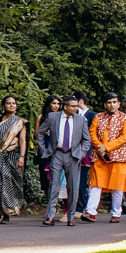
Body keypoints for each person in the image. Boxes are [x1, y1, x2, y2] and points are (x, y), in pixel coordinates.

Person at [82, 94, 126, 221]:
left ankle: (116, 213)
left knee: (116, 186)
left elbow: (125, 136)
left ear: (118, 104)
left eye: (114, 102)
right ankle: (90, 212)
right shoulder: (98, 117)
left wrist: (107, 147)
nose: (112, 105)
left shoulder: (125, 118)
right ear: (105, 105)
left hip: (118, 157)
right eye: (109, 102)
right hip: (99, 156)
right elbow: (92, 133)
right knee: (95, 184)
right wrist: (100, 146)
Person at [0, 95, 33, 223]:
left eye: (14, 103)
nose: (11, 105)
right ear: (3, 106)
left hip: (12, 156)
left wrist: (22, 156)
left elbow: (22, 140)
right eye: (8, 103)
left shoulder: (20, 122)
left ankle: (6, 213)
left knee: (8, 185)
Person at [40, 95, 86, 226]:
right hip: (57, 154)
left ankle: (71, 217)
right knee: (54, 185)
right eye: (73, 106)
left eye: (77, 106)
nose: (76, 108)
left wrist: (81, 153)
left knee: (72, 186)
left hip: (73, 155)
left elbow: (87, 139)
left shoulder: (80, 120)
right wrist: (45, 151)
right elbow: (40, 133)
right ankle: (50, 217)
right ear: (65, 107)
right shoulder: (53, 117)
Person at [34, 95, 62, 201]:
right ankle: (49, 202)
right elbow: (36, 135)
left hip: (58, 150)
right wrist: (44, 132)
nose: (56, 106)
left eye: (58, 104)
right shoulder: (41, 117)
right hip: (44, 149)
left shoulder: (62, 117)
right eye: (54, 103)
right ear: (48, 104)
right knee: (45, 177)